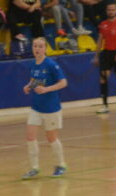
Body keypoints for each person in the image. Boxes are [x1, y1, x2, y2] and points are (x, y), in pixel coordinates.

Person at [21, 37, 68, 180]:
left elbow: (63, 82)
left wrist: (47, 89)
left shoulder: (51, 64)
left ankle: (61, 165)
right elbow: (35, 80)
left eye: (40, 46)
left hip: (51, 108)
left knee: (51, 138)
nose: (37, 49)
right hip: (36, 107)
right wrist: (29, 86)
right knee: (30, 136)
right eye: (35, 46)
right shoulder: (34, 64)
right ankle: (34, 168)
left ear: (45, 48)